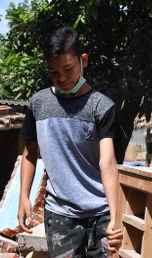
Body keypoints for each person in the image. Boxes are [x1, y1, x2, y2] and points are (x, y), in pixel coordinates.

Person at [18, 27, 123, 257]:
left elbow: (108, 162)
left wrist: (115, 217)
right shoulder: (38, 105)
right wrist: (24, 197)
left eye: (68, 69)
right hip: (60, 213)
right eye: (54, 72)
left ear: (83, 60)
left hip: (101, 212)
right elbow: (29, 153)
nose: (62, 78)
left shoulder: (102, 107)